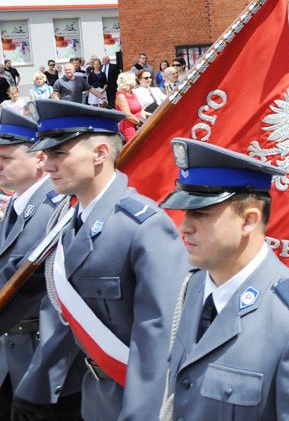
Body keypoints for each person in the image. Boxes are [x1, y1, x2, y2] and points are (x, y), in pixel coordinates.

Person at [13, 100, 187, 420]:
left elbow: (160, 342)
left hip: (137, 401)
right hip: (94, 395)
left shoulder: (143, 227)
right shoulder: (64, 222)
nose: (47, 164)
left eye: (59, 153)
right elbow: (65, 318)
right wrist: (35, 390)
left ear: (100, 153)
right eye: (46, 153)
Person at [159, 139, 289, 420]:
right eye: (185, 212)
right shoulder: (194, 287)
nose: (184, 227)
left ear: (249, 220)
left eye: (200, 213)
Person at [0, 109, 83, 419]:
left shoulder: (59, 209)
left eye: (6, 158)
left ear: (38, 159)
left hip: (44, 363)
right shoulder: (19, 204)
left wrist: (44, 375)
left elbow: (60, 301)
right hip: (11, 357)